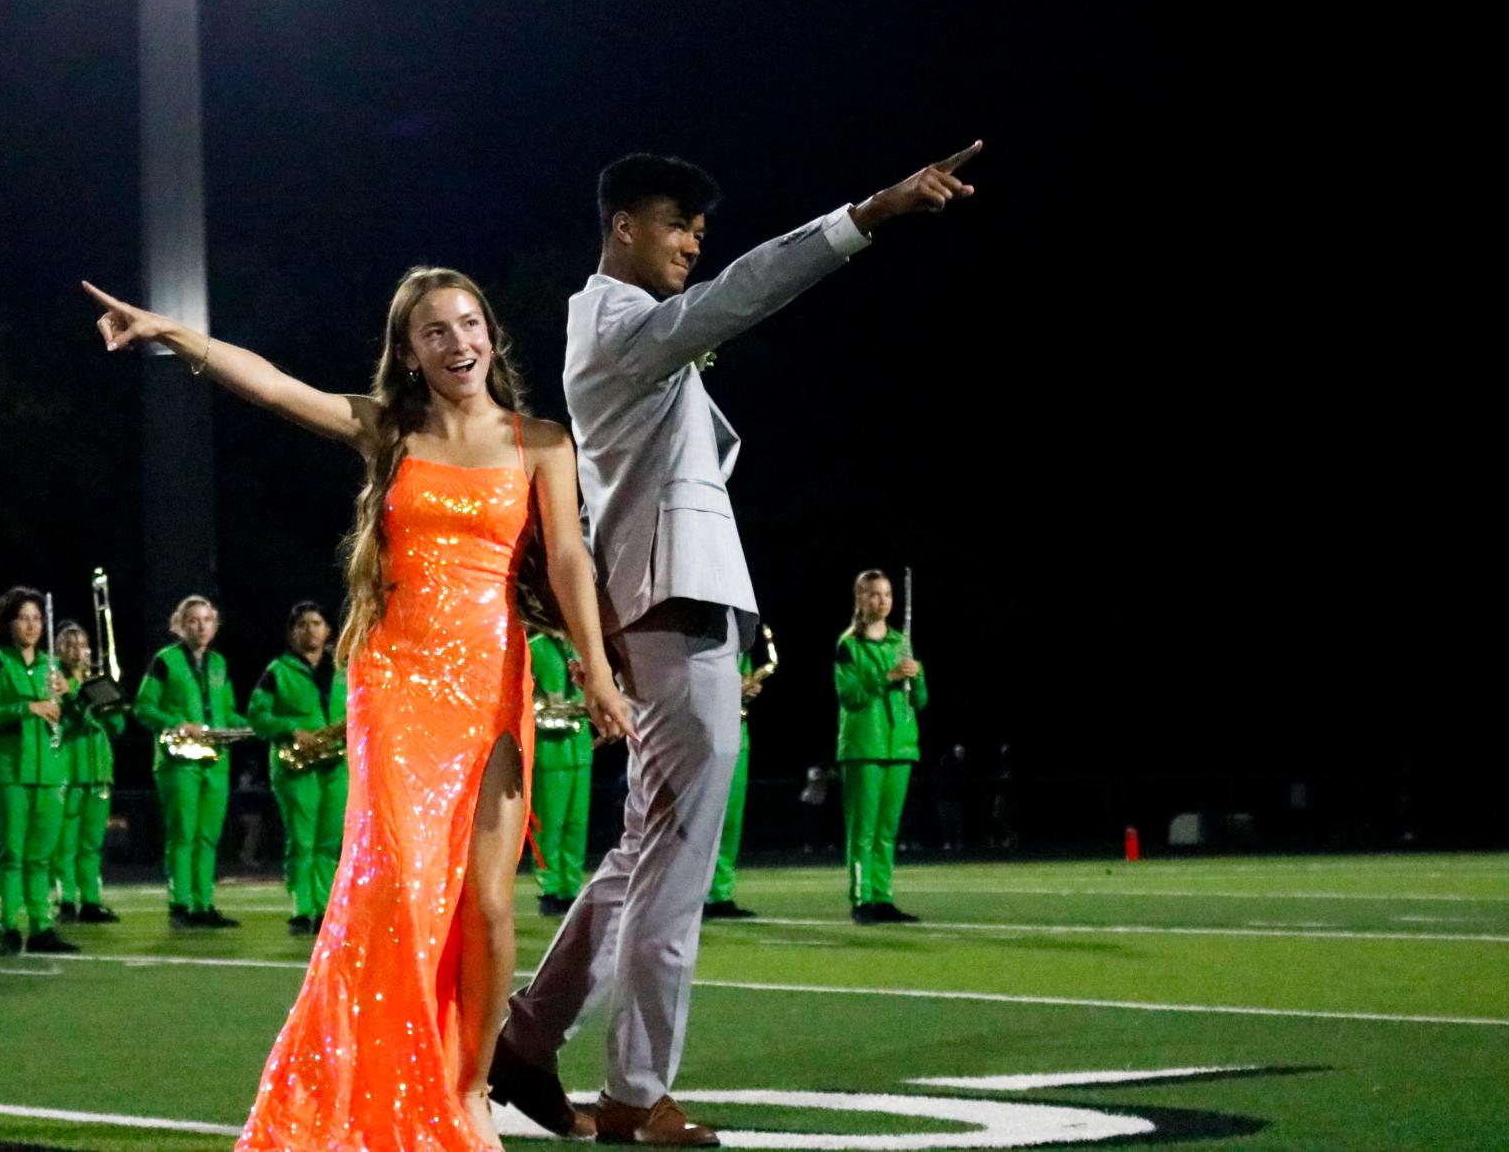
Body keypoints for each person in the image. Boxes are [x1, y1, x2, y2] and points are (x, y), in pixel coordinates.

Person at [85, 264, 632, 1152]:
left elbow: (568, 559)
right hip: (396, 681)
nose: (458, 344)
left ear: (490, 332)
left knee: (489, 907)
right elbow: (271, 385)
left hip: (493, 684)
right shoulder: (390, 429)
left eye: (468, 325)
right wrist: (172, 332)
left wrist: (595, 671)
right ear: (410, 354)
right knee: (399, 891)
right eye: (435, 333)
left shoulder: (540, 441)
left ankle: (465, 1088)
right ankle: (378, 1083)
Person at [497, 144, 978, 1145]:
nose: (693, 243)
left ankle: (529, 1033)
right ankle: (634, 1090)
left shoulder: (623, 330)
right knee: (674, 860)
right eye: (678, 225)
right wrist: (871, 212)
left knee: (644, 851)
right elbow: (745, 294)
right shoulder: (620, 324)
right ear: (623, 225)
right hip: (673, 600)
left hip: (674, 601)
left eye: (698, 230)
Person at [0, 586, 78, 956]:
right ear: (8, 623)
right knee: (12, 853)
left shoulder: (52, 667)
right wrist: (26, 708)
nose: (32, 625)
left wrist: (71, 691)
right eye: (24, 617)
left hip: (49, 772)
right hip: (10, 772)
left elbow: (74, 716)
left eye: (37, 618)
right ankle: (7, 927)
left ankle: (41, 927)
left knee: (41, 857)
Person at [132, 595, 245, 930]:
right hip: (178, 761)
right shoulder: (165, 661)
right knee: (183, 833)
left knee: (208, 836)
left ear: (215, 625)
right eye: (193, 620)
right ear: (180, 625)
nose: (201, 626)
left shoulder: (219, 663)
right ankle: (181, 905)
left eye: (207, 620)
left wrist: (250, 725)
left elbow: (227, 709)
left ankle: (203, 904)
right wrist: (177, 723)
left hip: (215, 761)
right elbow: (143, 707)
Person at [245, 600, 349, 936]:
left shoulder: (344, 669)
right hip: (297, 765)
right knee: (302, 841)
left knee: (329, 842)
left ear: (328, 630)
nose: (310, 629)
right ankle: (303, 909)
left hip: (336, 763)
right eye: (302, 624)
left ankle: (325, 909)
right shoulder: (278, 670)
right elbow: (257, 716)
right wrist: (292, 731)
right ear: (292, 633)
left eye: (316, 623)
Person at [834, 569, 927, 923]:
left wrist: (915, 677)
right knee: (863, 830)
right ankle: (862, 900)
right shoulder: (848, 645)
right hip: (863, 747)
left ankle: (883, 897)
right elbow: (849, 695)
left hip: (900, 747)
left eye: (887, 594)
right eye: (874, 594)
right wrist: (887, 676)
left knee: (887, 831)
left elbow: (920, 700)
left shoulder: (900, 643)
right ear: (860, 599)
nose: (883, 600)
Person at [54, 621, 125, 924]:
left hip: (99, 771)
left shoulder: (97, 680)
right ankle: (66, 900)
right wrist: (74, 699)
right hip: (69, 770)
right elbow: (61, 724)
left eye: (81, 644)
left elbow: (118, 727)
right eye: (69, 644)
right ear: (59, 650)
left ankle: (91, 900)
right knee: (66, 842)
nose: (76, 650)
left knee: (91, 843)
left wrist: (108, 706)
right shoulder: (55, 682)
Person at [703, 646, 770, 919]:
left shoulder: (742, 648)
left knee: (730, 823)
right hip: (707, 740)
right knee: (707, 823)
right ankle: (701, 893)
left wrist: (748, 691)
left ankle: (720, 893)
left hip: (738, 738)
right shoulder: (705, 643)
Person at [527, 626, 590, 917]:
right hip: (551, 750)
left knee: (576, 825)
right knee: (550, 826)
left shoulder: (579, 645)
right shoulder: (535, 647)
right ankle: (550, 890)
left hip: (580, 746)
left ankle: (571, 888)